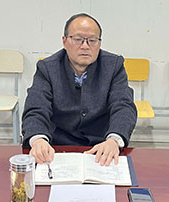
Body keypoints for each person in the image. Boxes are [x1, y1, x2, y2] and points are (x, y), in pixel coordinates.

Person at [22, 13, 137, 166]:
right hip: (57, 148)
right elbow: (36, 108)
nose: (85, 46)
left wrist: (114, 140)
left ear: (99, 43)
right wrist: (38, 139)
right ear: (64, 41)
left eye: (92, 40)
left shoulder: (113, 66)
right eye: (78, 39)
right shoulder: (48, 68)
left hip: (102, 146)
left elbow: (123, 106)